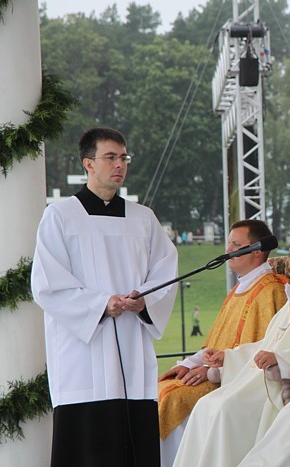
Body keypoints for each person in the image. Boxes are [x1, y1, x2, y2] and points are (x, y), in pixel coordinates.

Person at [31, 127, 179, 467]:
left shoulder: (144, 219)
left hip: (132, 349)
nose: (119, 165)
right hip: (83, 356)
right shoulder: (60, 217)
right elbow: (47, 284)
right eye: (110, 157)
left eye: (123, 157)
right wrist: (101, 304)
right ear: (88, 163)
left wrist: (144, 300)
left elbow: (166, 271)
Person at [172, 187, 290, 467]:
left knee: (222, 409)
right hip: (252, 377)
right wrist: (227, 358)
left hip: (276, 383)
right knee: (207, 407)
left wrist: (279, 359)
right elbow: (266, 342)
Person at [157, 219, 288, 467]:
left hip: (238, 380)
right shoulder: (240, 288)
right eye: (228, 244)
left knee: (174, 399)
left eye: (236, 245)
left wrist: (211, 371)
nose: (228, 252)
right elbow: (215, 342)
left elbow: (264, 347)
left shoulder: (271, 291)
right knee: (161, 389)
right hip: (216, 371)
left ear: (257, 250)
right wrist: (188, 363)